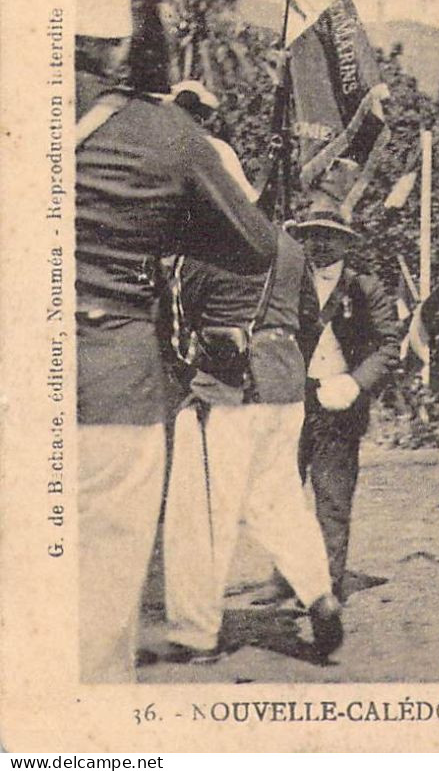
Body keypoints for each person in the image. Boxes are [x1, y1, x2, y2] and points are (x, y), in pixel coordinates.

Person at [73, 36, 280, 682]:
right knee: (97, 602)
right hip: (110, 366)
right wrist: (163, 225)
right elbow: (252, 244)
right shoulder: (165, 133)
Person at [155, 230, 343, 662]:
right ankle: (318, 593)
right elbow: (309, 318)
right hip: (285, 387)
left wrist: (190, 380)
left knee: (202, 515)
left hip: (227, 390)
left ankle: (196, 634)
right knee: (279, 502)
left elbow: (176, 323)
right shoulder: (290, 247)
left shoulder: (205, 246)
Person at [285, 204, 400, 601]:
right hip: (293, 398)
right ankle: (285, 576)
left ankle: (327, 585)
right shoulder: (287, 280)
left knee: (332, 495)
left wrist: (355, 383)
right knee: (281, 490)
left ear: (345, 243)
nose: (319, 243)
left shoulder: (364, 288)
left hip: (339, 401)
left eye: (329, 235)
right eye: (313, 234)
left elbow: (389, 346)